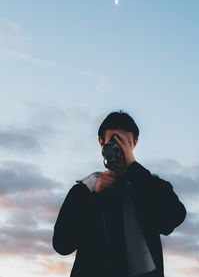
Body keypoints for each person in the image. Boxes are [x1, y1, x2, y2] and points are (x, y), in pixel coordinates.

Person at [52, 110, 186, 277]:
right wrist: (96, 199)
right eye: (113, 143)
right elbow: (62, 245)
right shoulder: (84, 191)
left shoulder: (150, 186)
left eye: (125, 144)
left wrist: (135, 171)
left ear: (134, 143)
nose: (119, 150)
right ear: (101, 143)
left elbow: (173, 218)